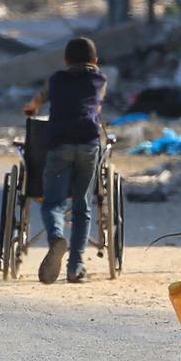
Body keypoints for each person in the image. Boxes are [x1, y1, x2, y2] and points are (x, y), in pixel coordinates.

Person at [23, 37, 106, 284]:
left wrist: (31, 108)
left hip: (59, 143)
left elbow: (38, 100)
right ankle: (76, 266)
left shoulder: (57, 79)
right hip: (88, 142)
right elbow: (96, 107)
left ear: (65, 61)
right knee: (83, 206)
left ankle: (57, 236)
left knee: (53, 204)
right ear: (95, 61)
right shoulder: (99, 79)